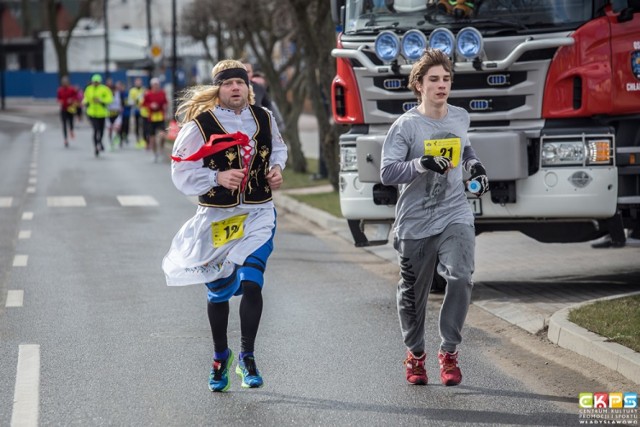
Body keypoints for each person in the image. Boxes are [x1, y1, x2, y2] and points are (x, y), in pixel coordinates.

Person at [162, 59, 287, 392]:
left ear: (249, 87)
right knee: (218, 292)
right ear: (218, 89)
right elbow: (180, 173)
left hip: (258, 213)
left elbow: (278, 148)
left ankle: (248, 358)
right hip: (218, 218)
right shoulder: (199, 125)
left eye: (240, 83)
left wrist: (276, 168)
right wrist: (216, 176)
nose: (236, 88)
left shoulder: (264, 117)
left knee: (252, 283)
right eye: (228, 83)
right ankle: (221, 357)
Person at [380, 48, 489, 387]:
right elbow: (386, 172)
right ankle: (415, 354)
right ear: (419, 85)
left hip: (455, 212)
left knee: (461, 276)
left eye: (446, 79)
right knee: (413, 295)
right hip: (415, 221)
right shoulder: (406, 127)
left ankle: (449, 352)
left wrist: (475, 167)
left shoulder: (459, 117)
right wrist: (420, 164)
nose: (442, 85)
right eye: (434, 80)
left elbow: (465, 148)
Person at [243, 62, 285, 132]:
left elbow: (269, 105)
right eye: (242, 71)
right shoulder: (228, 89)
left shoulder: (258, 88)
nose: (245, 74)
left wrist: (278, 125)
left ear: (252, 73)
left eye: (248, 72)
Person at [82, 74, 113, 157]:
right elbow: (86, 98)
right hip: (92, 113)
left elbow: (110, 99)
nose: (95, 83)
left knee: (101, 130)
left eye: (97, 82)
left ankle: (100, 141)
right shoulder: (88, 89)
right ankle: (96, 147)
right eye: (94, 82)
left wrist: (101, 100)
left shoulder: (105, 89)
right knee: (96, 130)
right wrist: (84, 102)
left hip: (102, 113)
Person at [141, 77, 168, 162]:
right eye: (154, 85)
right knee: (152, 138)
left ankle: (161, 149)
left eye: (157, 85)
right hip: (151, 118)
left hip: (160, 117)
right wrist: (150, 105)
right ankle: (154, 154)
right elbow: (143, 104)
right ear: (152, 85)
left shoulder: (162, 93)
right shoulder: (148, 94)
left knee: (163, 135)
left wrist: (165, 108)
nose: (156, 86)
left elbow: (165, 102)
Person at [56, 75, 79, 148]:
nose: (65, 83)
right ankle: (65, 139)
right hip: (63, 109)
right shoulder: (60, 90)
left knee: (71, 121)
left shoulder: (71, 89)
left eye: (66, 82)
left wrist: (72, 99)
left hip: (71, 108)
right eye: (63, 82)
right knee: (64, 124)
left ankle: (71, 130)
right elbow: (58, 99)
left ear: (68, 83)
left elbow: (76, 96)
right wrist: (60, 101)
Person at [128, 77, 146, 148]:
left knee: (144, 126)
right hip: (136, 110)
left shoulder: (144, 90)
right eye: (137, 82)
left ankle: (144, 140)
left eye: (139, 82)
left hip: (144, 111)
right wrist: (135, 101)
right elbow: (130, 101)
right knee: (137, 126)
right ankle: (138, 140)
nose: (138, 83)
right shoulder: (132, 90)